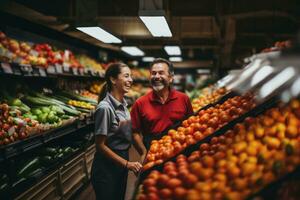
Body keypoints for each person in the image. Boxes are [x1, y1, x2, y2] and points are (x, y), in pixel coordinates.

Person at [91, 63, 143, 200]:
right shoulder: (105, 108)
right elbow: (100, 145)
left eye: (131, 76)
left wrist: (144, 152)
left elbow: (128, 134)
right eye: (126, 76)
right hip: (106, 168)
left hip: (120, 164)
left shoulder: (124, 106)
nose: (131, 80)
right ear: (113, 80)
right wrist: (127, 164)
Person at [130, 58, 193, 150]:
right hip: (154, 153)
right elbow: (133, 131)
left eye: (161, 73)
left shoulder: (183, 99)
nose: (156, 76)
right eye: (153, 73)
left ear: (170, 77)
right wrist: (143, 151)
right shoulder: (140, 103)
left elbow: (191, 124)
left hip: (180, 150)